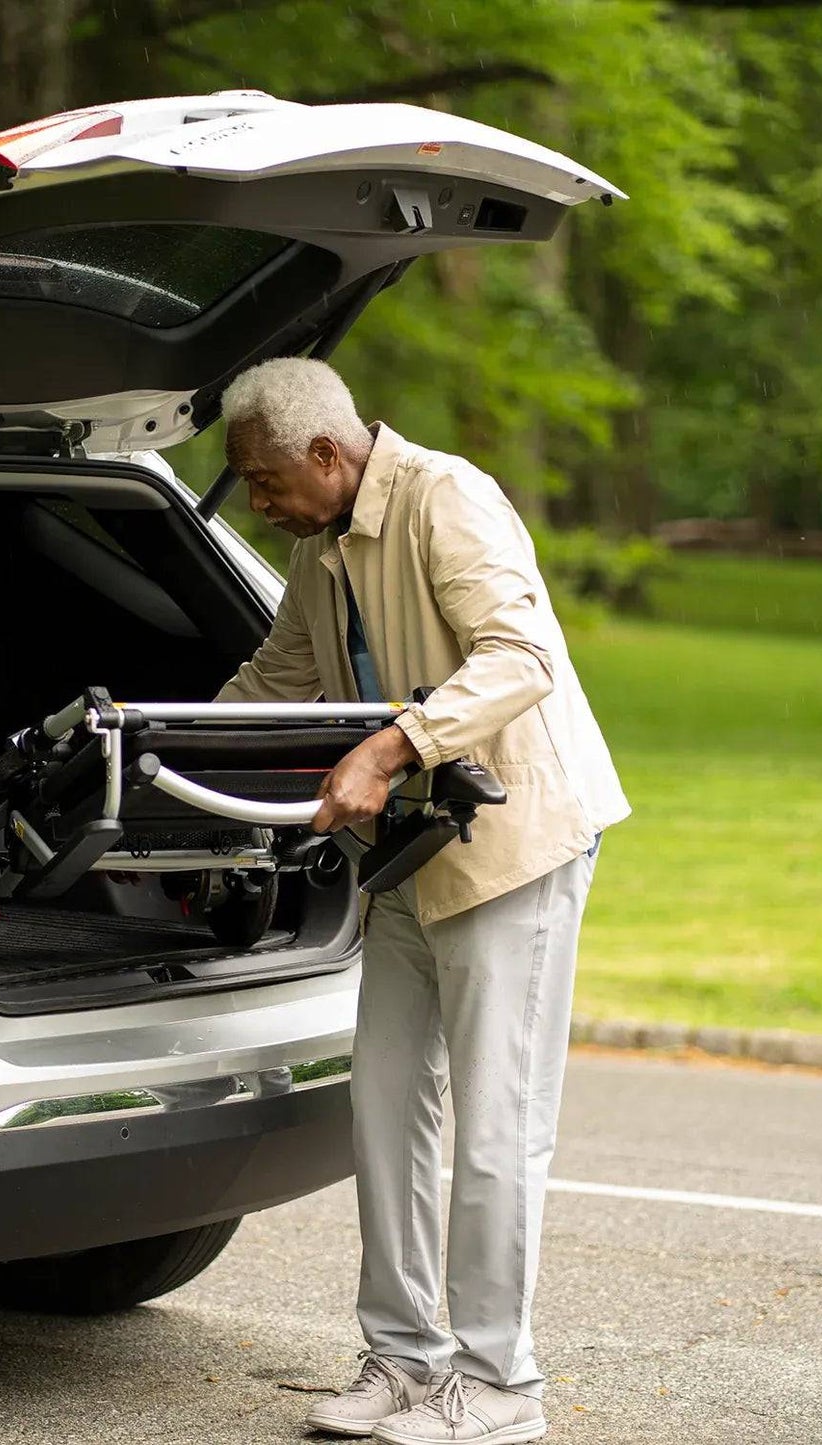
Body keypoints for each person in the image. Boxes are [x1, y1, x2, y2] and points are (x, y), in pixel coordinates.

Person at [213, 357, 629, 1444]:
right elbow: (277, 675)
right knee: (386, 1108)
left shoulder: (447, 495)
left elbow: (523, 653)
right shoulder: (320, 547)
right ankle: (403, 1360)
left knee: (494, 1128)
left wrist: (393, 746)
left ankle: (498, 1387)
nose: (256, 505)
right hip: (404, 853)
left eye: (260, 480)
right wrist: (160, 753)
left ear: (323, 452)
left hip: (510, 850)